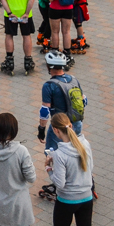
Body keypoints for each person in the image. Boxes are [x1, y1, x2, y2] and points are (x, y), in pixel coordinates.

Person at [46, 112, 97, 226]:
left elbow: (59, 183)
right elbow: (91, 168)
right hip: (87, 198)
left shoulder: (59, 154)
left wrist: (49, 169)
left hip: (67, 200)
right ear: (71, 125)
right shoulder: (85, 144)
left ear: (56, 130)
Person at [37, 51, 86, 197]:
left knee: (52, 154)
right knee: (75, 150)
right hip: (76, 124)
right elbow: (84, 101)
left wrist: (41, 129)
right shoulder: (74, 80)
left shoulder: (49, 85)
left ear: (49, 66)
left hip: (58, 127)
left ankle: (59, 181)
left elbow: (45, 110)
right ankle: (81, 178)